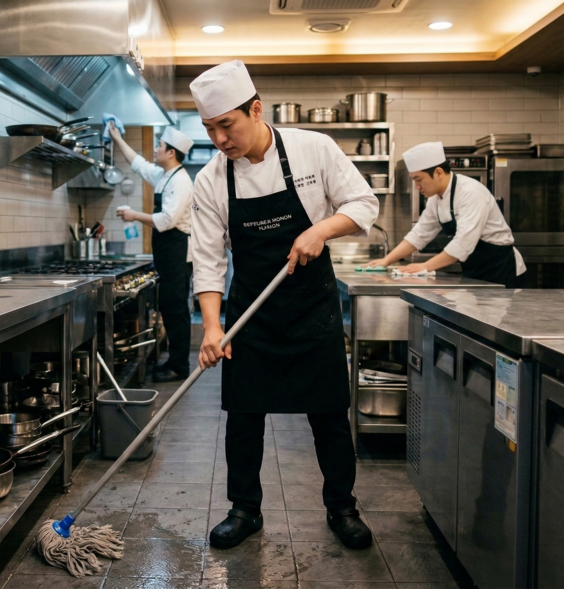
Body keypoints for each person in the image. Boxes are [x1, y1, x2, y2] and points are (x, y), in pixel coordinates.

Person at [189, 60, 379, 550]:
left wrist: (320, 230)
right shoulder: (211, 180)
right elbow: (208, 262)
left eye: (226, 125)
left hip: (312, 306)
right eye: (210, 129)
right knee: (244, 416)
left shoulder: (312, 148)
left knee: (330, 414)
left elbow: (363, 204)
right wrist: (212, 327)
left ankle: (342, 508)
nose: (220, 139)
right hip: (252, 310)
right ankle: (244, 510)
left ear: (255, 109)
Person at [364, 141, 527, 287]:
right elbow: (418, 235)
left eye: (418, 179)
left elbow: (463, 244)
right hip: (475, 272)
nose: (416, 186)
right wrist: (386, 261)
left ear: (439, 173)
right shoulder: (436, 199)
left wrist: (424, 266)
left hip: (502, 271)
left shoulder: (471, 193)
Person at [109, 123, 196, 382]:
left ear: (171, 152)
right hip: (168, 254)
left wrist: (133, 215)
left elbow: (168, 220)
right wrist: (116, 137)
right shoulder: (163, 175)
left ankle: (179, 366)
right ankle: (174, 361)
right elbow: (137, 163)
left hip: (179, 254)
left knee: (176, 309)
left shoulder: (181, 181)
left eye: (159, 145)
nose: (155, 149)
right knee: (169, 307)